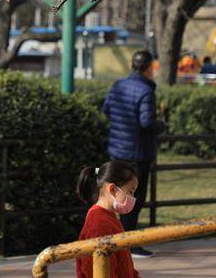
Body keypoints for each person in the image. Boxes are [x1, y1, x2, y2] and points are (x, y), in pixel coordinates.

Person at [102, 50, 165, 257]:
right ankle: (129, 243)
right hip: (137, 154)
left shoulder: (118, 85)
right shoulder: (146, 91)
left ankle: (116, 241)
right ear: (148, 68)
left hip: (117, 151)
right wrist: (162, 125)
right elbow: (146, 122)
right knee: (133, 199)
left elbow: (107, 110)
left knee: (116, 197)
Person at [75, 161, 141, 278]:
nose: (132, 198)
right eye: (130, 192)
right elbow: (94, 269)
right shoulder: (99, 223)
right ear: (112, 189)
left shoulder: (109, 216)